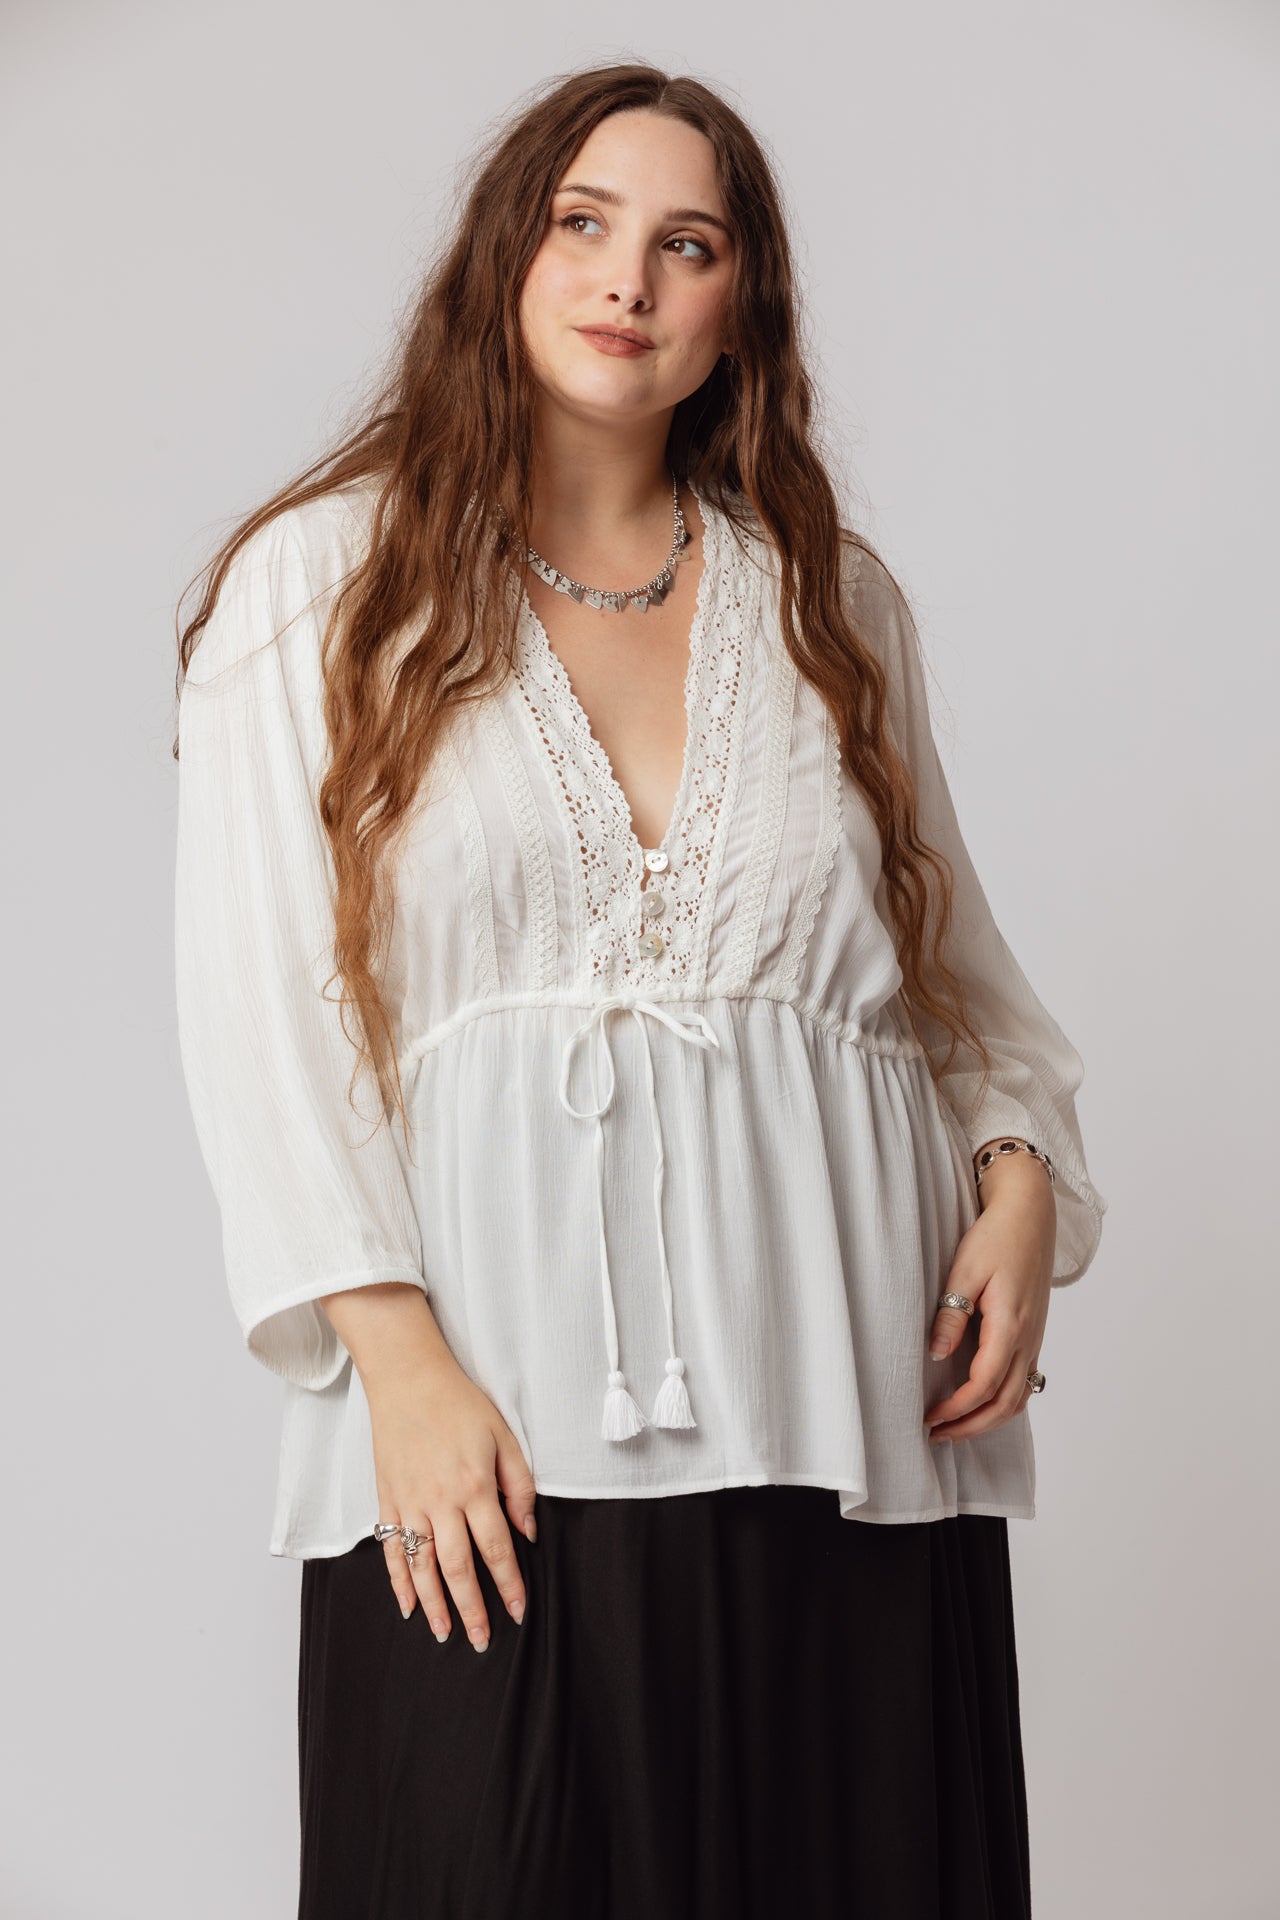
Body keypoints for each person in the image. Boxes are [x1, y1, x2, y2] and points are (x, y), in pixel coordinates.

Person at [172, 60, 1106, 1920]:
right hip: (492, 1439)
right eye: (583, 223)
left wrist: (1016, 1179)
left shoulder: (831, 602)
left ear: (740, 305)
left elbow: (950, 985)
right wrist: (400, 1365)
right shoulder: (323, 585)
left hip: (847, 1427)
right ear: (503, 257)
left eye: (690, 244)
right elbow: (260, 1010)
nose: (629, 278)